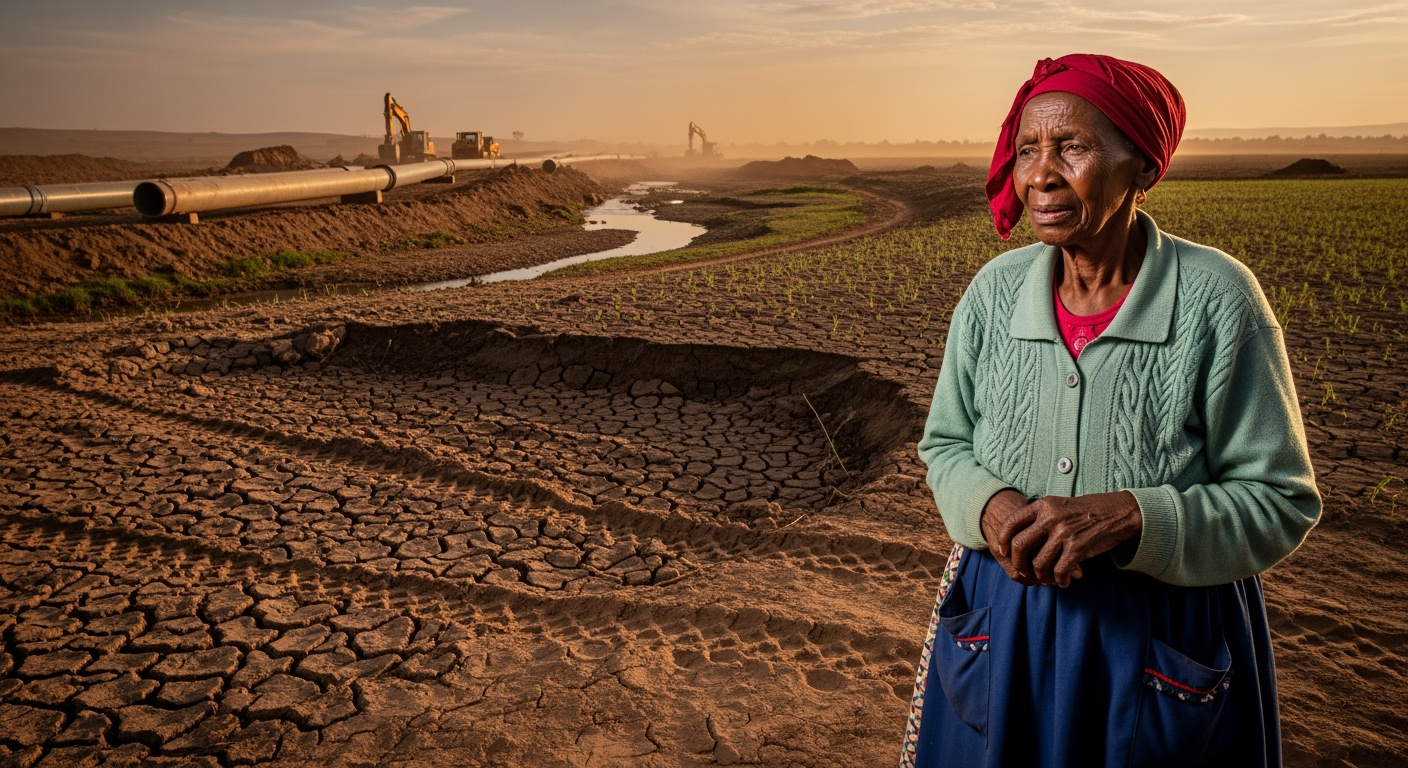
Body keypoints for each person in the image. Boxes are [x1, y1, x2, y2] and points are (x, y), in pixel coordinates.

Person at [900, 54, 1321, 768]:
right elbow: (945, 445)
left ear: (1144, 168)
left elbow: (1279, 500)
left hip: (1157, 635)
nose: (1040, 174)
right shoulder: (994, 294)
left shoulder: (1217, 299)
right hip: (1006, 619)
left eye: (1073, 147)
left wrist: (1132, 516)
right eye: (1028, 150)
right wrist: (993, 507)